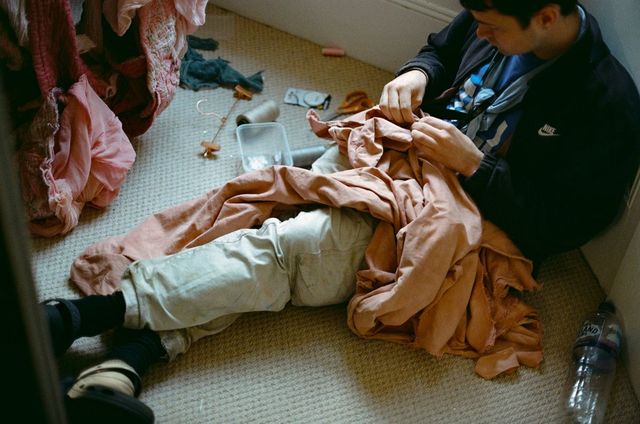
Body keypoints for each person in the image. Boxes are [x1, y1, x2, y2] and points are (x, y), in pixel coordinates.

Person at [43, 1, 640, 421]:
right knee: (265, 206)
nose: (478, 34)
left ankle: (81, 316)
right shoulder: (492, 13)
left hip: (458, 219)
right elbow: (442, 48)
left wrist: (475, 166)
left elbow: (558, 227)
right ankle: (124, 366)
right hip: (399, 157)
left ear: (546, 17)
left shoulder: (608, 104)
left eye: (491, 28)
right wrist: (416, 74)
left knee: (293, 247)